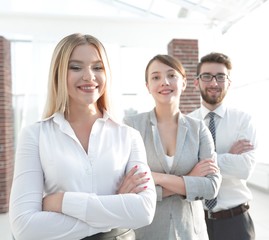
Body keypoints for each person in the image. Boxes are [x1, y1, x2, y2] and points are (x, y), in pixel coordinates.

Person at [9, 33, 156, 240]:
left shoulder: (129, 136)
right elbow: (24, 228)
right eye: (76, 67)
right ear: (58, 74)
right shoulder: (35, 135)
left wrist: (62, 202)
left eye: (98, 67)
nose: (89, 76)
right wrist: (116, 205)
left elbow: (144, 211)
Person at [124, 54, 221, 240]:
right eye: (156, 77)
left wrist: (156, 177)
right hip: (146, 231)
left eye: (171, 75)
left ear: (183, 82)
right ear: (148, 86)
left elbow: (211, 187)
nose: (164, 82)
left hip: (191, 233)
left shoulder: (199, 128)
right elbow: (129, 188)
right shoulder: (132, 126)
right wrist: (190, 179)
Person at [189, 52, 257, 240]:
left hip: (235, 222)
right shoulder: (185, 124)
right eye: (207, 76)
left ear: (228, 82)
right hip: (195, 222)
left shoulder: (243, 120)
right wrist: (228, 155)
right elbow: (181, 171)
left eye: (220, 77)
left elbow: (245, 168)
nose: (214, 83)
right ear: (197, 82)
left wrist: (200, 162)